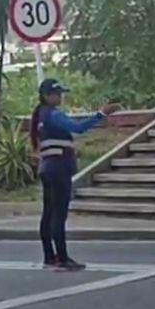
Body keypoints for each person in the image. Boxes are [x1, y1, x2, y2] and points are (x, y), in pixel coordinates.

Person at [30, 79, 120, 271]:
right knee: (58, 215)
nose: (60, 97)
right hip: (58, 168)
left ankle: (49, 256)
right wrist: (101, 114)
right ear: (46, 96)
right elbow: (78, 128)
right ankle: (62, 258)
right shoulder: (53, 115)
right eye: (56, 94)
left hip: (47, 168)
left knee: (48, 214)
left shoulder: (41, 116)